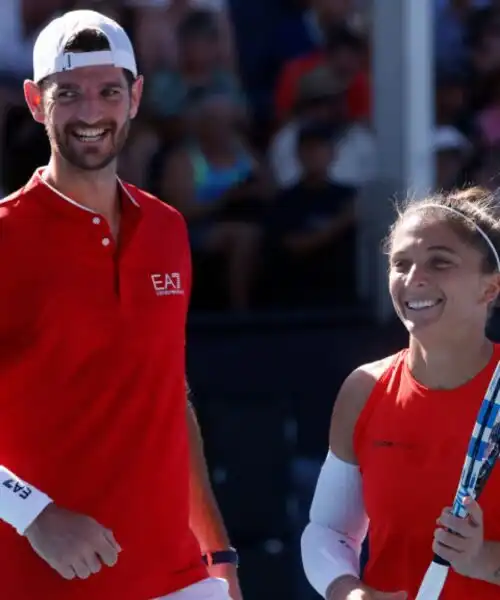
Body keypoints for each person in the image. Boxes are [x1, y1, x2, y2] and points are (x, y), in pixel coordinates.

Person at [0, 9, 242, 600]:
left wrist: (218, 553)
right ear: (35, 102)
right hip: (39, 583)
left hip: (181, 578)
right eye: (69, 94)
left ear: (135, 97)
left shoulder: (166, 227)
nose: (90, 113)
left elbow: (168, 393)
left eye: (109, 91)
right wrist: (34, 515)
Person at [301, 186, 500, 599]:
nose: (413, 279)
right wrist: (349, 592)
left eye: (439, 262)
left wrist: (483, 561)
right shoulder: (364, 389)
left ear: (490, 288)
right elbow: (329, 530)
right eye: (400, 263)